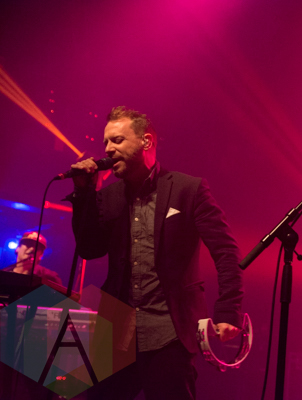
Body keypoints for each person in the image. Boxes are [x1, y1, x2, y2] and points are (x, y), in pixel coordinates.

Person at [66, 106, 244, 400]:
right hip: (116, 331)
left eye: (117, 140)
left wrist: (228, 310)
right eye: (106, 142)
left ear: (146, 141)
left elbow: (225, 251)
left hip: (170, 333)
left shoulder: (188, 189)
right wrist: (84, 194)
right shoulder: (108, 196)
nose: (108, 149)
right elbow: (89, 249)